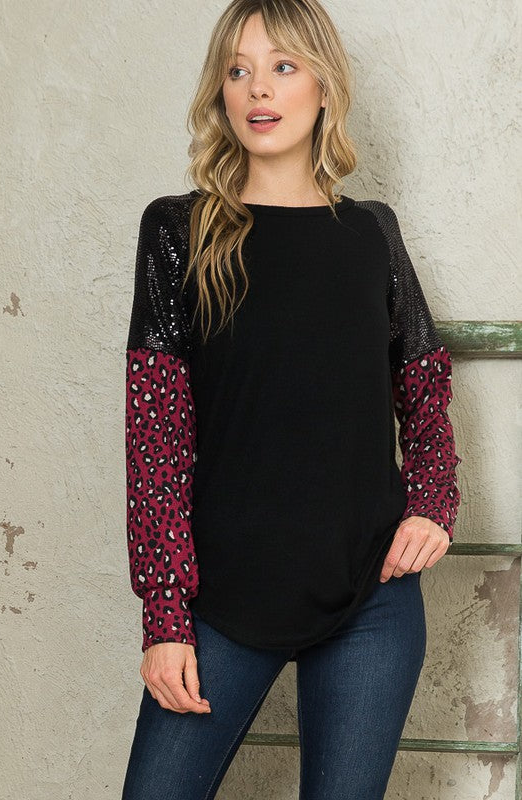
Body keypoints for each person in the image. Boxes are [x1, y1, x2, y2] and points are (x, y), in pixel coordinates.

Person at [121, 1, 462, 798]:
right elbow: (155, 435)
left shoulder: (371, 233)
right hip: (223, 597)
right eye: (237, 70)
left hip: (370, 597)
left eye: (282, 66)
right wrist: (166, 615)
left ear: (323, 85)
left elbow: (423, 385)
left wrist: (432, 503)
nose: (257, 89)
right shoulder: (178, 231)